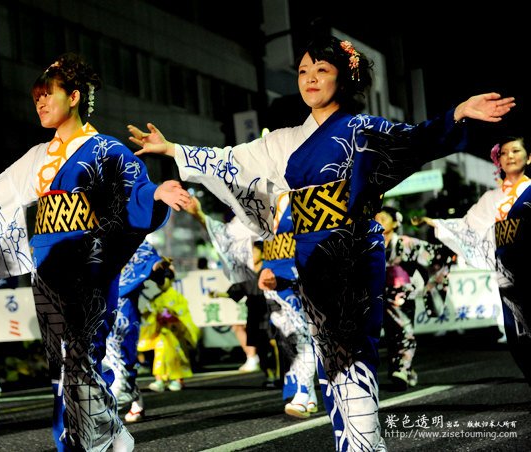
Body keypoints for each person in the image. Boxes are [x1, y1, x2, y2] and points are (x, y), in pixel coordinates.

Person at [127, 36, 514, 451]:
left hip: (352, 251)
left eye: (322, 70)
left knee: (351, 351)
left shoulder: (362, 129)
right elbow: (231, 160)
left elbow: (415, 139)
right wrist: (172, 149)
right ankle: (352, 441)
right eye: (303, 71)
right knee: (330, 355)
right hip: (309, 254)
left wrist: (458, 112)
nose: (310, 79)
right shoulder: (283, 141)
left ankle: (363, 443)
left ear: (344, 78)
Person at [0, 53, 190, 452]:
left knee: (83, 354)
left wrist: (157, 192)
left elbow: (134, 191)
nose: (40, 103)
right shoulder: (36, 158)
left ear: (74, 96)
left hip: (88, 265)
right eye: (36, 97)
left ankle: (93, 437)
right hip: (46, 269)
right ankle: (95, 434)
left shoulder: (104, 149)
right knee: (62, 365)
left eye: (48, 94)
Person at [415, 136, 531, 385]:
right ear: (498, 160)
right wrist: (435, 223)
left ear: (529, 157)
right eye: (504, 153)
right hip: (507, 274)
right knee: (518, 334)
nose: (510, 156)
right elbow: (468, 228)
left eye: (516, 151)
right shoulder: (490, 199)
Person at [183, 196, 262, 371]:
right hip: (260, 303)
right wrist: (199, 215)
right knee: (254, 330)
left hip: (288, 284)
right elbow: (223, 235)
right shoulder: (243, 220)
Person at [258, 193, 318, 417]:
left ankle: (302, 393)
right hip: (274, 282)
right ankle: (309, 393)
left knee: (305, 337)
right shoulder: (260, 198)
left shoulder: (305, 193)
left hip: (303, 277)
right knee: (289, 340)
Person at [375, 206, 448, 390]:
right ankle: (406, 369)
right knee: (391, 336)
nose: (379, 221)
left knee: (405, 332)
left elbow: (435, 254)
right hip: (378, 295)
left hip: (402, 295)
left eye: (384, 218)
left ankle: (401, 369)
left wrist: (429, 284)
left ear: (395, 222)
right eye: (377, 218)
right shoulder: (369, 243)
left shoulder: (405, 243)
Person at [103, 240, 165, 423]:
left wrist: (158, 265)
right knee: (106, 362)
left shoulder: (136, 240)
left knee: (121, 362)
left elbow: (155, 263)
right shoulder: (89, 236)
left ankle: (104, 414)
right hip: (96, 309)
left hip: (123, 312)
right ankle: (135, 402)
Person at [210, 241, 279, 388]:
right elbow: (235, 291)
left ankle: (280, 374)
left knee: (274, 343)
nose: (251, 255)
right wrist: (217, 294)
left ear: (263, 254)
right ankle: (270, 376)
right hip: (254, 313)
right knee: (260, 346)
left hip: (271, 312)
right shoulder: (245, 274)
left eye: (254, 252)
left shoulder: (271, 270)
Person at [138, 263, 201, 392]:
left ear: (171, 279)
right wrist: (153, 315)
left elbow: (183, 313)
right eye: (158, 281)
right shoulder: (155, 298)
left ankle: (178, 380)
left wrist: (171, 314)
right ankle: (159, 380)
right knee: (159, 356)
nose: (160, 283)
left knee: (178, 356)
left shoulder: (177, 296)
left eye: (163, 280)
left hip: (175, 333)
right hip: (161, 333)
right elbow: (147, 312)